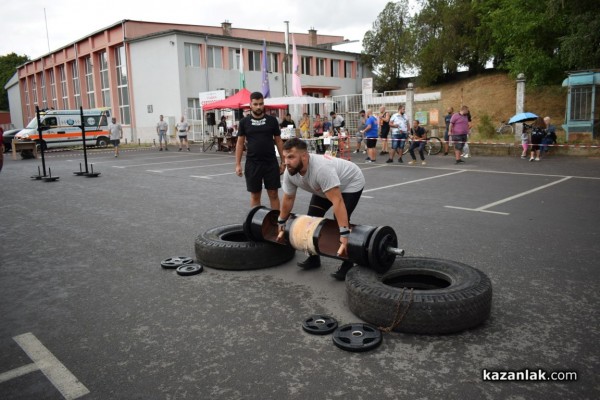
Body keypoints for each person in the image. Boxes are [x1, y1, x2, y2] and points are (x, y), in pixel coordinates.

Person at [276, 137, 365, 280]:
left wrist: (344, 232)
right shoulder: (290, 172)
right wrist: (281, 221)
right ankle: (313, 257)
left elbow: (337, 200)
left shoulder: (321, 169)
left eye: (291, 157)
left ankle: (347, 263)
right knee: (312, 218)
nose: (286, 162)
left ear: (304, 156)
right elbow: (288, 198)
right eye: (285, 157)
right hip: (323, 187)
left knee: (340, 222)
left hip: (349, 183)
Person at [235, 91, 285, 209]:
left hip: (270, 163)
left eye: (261, 104)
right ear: (250, 105)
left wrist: (283, 161)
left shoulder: (272, 121)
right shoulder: (244, 122)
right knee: (255, 196)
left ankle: (275, 223)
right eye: (256, 104)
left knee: (273, 194)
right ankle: (255, 223)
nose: (259, 107)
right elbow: (240, 143)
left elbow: (278, 141)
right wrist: (237, 164)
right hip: (253, 164)